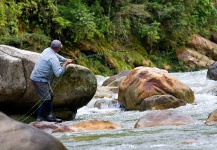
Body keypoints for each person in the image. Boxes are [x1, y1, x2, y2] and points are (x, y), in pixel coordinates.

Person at [30, 40, 72, 122]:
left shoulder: (47, 50)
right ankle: (39, 118)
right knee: (46, 99)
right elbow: (58, 73)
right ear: (58, 48)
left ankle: (50, 115)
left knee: (51, 95)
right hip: (39, 80)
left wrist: (65, 60)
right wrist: (65, 65)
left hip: (41, 78)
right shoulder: (53, 59)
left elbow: (57, 56)